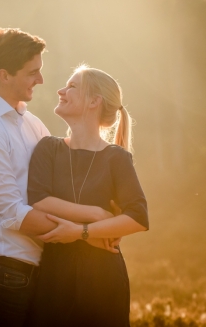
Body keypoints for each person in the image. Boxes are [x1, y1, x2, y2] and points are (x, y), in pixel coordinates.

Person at [0, 28, 119, 327]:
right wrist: (88, 235)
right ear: (4, 75)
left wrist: (105, 208)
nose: (42, 80)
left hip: (43, 272)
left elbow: (61, 187)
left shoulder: (32, 124)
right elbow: (14, 215)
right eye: (33, 72)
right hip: (5, 275)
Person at [25, 65, 149, 327]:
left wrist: (80, 232)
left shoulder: (117, 158)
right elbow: (38, 199)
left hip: (104, 280)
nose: (61, 91)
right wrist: (95, 215)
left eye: (72, 87)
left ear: (94, 101)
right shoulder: (49, 148)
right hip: (54, 278)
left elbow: (138, 217)